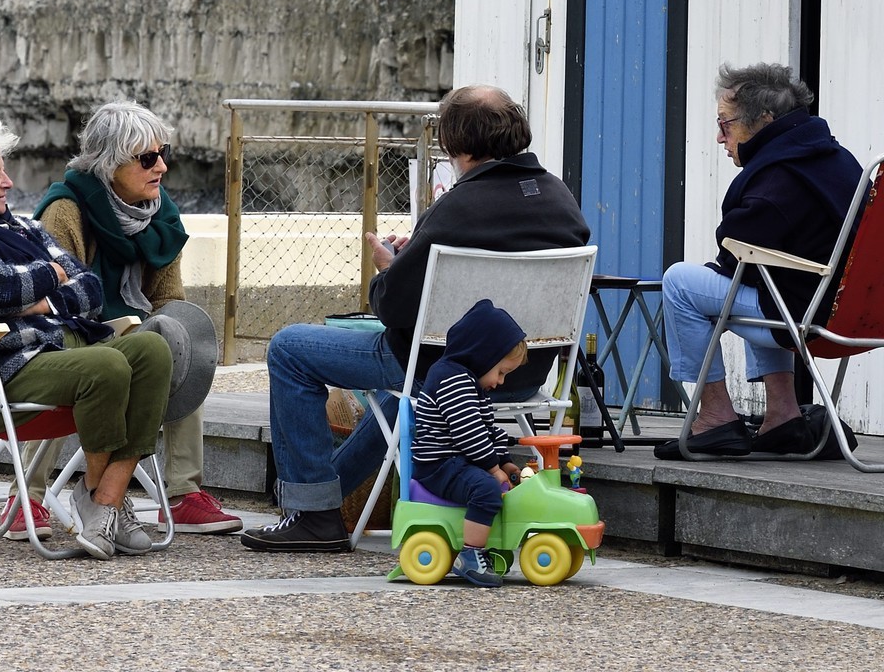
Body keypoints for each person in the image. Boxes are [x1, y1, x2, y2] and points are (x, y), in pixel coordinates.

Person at [243, 84, 588, 554]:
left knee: (289, 348)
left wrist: (389, 267)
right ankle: (324, 503)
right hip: (527, 375)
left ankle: (312, 512)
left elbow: (394, 309)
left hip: (440, 371)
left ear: (456, 145)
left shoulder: (458, 208)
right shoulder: (561, 200)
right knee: (400, 400)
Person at [0, 117, 173, 559]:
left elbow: (90, 289)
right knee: (105, 365)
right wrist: (51, 275)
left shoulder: (22, 229)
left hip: (54, 351)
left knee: (152, 350)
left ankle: (105, 497)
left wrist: (40, 301)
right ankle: (102, 503)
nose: (8, 182)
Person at [33, 99, 242, 536]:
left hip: (135, 331)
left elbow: (168, 298)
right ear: (110, 164)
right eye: (148, 158)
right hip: (77, 328)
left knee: (182, 344)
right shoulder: (66, 211)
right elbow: (53, 301)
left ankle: (183, 495)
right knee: (68, 358)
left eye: (163, 153)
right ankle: (28, 494)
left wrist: (158, 332)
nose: (162, 167)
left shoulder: (159, 214)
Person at [654, 62, 863, 461]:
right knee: (767, 280)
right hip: (857, 312)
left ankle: (715, 417)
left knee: (681, 282)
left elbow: (734, 252)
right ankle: (782, 415)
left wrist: (723, 264)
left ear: (763, 121)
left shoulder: (779, 176)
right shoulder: (840, 160)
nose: (719, 137)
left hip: (809, 318)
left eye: (725, 123)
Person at [406, 300, 530, 589]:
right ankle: (470, 555)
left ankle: (490, 544)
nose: (500, 381)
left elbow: (487, 428)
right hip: (439, 465)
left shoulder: (469, 381)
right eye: (500, 372)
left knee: (495, 482)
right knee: (486, 489)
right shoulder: (451, 378)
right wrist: (492, 468)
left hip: (457, 460)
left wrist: (505, 460)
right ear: (483, 355)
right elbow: (468, 433)